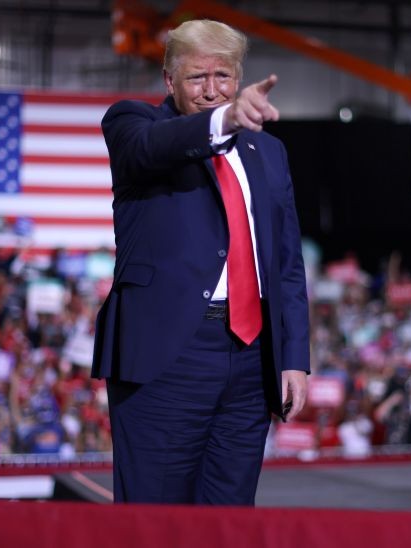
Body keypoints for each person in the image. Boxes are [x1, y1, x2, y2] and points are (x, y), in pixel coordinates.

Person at [92, 19, 310, 505]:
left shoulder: (270, 152)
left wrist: (294, 358)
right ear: (169, 81)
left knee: (228, 518)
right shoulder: (133, 125)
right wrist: (224, 123)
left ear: (239, 77)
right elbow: (152, 150)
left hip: (252, 360)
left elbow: (287, 262)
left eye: (224, 77)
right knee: (155, 521)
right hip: (167, 357)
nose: (213, 91)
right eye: (197, 78)